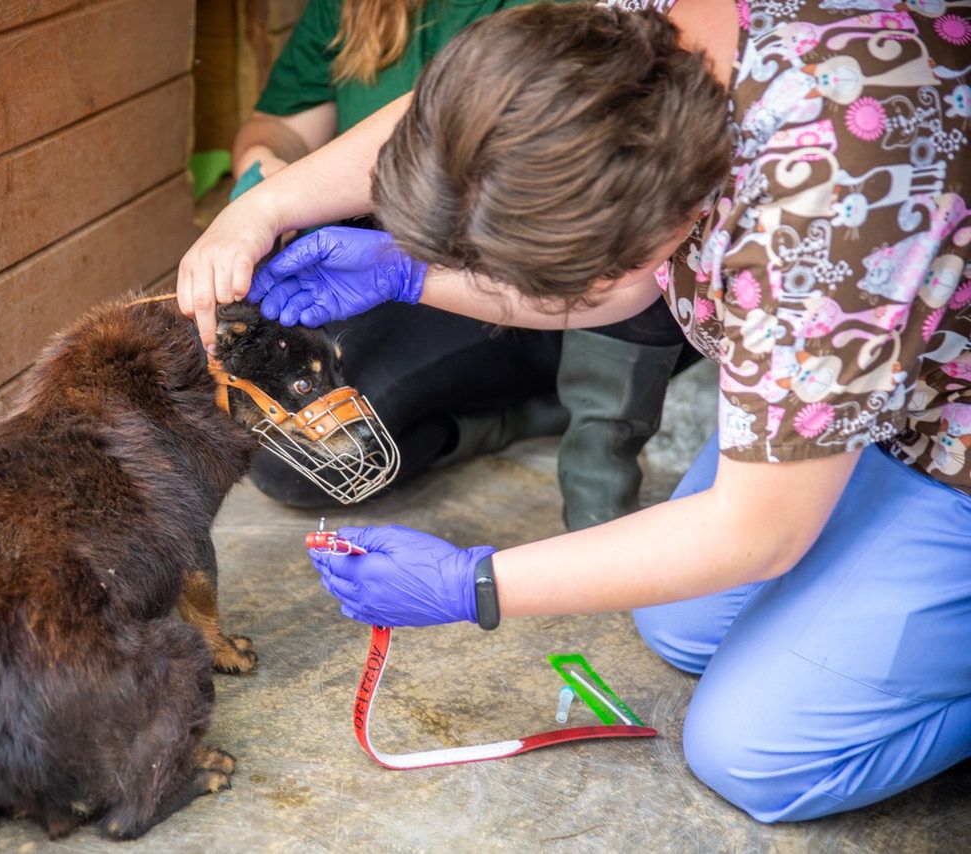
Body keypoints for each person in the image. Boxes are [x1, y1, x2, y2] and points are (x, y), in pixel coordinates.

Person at [178, 0, 971, 822]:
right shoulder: (640, 31)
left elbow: (755, 530)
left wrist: (475, 582)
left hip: (954, 433)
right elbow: (476, 110)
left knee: (755, 753)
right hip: (859, 390)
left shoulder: (824, 201)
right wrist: (276, 213)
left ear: (651, 225)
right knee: (681, 623)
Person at [225, 0, 699, 530]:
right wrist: (268, 182)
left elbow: (630, 252)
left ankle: (598, 475)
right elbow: (290, 123)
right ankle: (518, 419)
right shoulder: (354, 9)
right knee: (296, 459)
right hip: (442, 269)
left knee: (624, 218)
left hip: (555, 261)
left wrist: (481, 587)